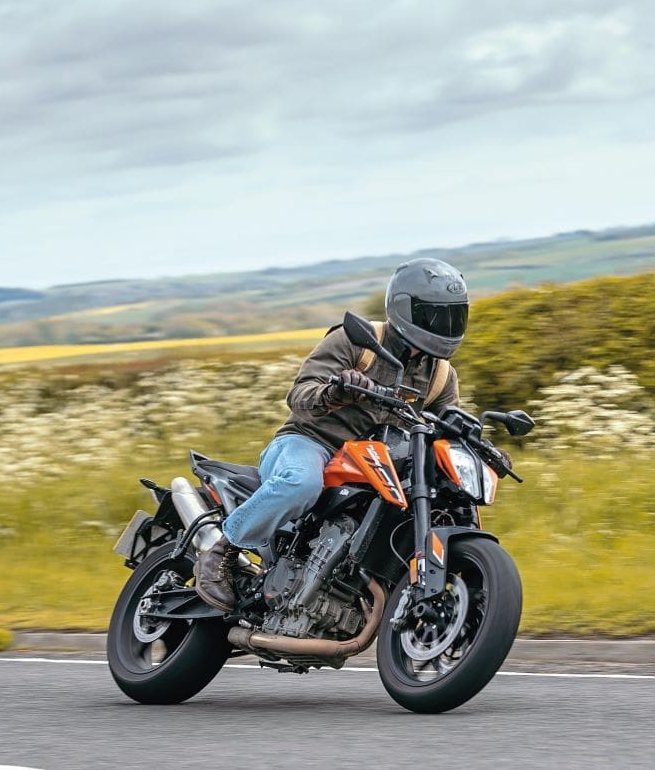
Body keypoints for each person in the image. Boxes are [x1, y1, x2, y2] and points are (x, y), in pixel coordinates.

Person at [195, 257, 470, 612]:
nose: (444, 325)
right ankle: (222, 550)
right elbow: (299, 395)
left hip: (378, 464)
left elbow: (449, 424)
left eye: (452, 315)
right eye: (434, 315)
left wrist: (479, 444)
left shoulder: (441, 377)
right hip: (311, 442)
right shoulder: (358, 341)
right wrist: (335, 393)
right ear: (405, 308)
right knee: (300, 483)